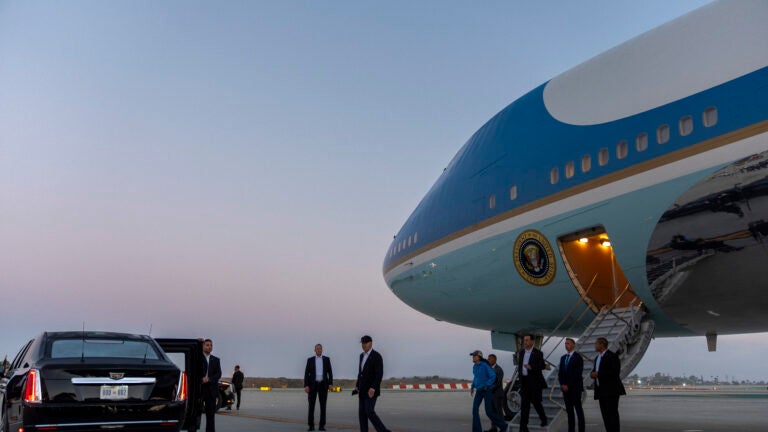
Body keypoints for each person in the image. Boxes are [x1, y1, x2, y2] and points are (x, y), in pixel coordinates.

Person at [355, 335, 390, 432]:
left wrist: (373, 388)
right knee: (362, 413)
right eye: (362, 343)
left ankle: (383, 431)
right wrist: (357, 385)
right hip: (362, 389)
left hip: (371, 390)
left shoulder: (376, 356)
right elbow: (360, 373)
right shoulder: (361, 356)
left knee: (369, 411)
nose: (363, 345)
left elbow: (379, 374)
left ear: (371, 343)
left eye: (365, 343)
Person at [590, 337, 626, 432]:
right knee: (605, 415)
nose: (595, 346)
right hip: (601, 391)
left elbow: (615, 372)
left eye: (596, 344)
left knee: (612, 414)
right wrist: (592, 374)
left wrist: (598, 374)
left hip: (611, 391)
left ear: (602, 345)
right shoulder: (597, 358)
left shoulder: (612, 356)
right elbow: (595, 371)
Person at [470, 350, 509, 432]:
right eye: (472, 356)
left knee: (489, 412)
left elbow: (493, 376)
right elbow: (476, 377)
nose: (473, 357)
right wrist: (472, 387)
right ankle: (476, 430)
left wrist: (487, 385)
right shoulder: (475, 366)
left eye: (474, 356)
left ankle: (504, 426)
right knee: (474, 409)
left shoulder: (484, 365)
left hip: (486, 390)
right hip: (479, 391)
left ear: (479, 357)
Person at [516, 334, 548, 432]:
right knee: (524, 406)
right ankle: (523, 428)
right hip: (525, 382)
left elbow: (542, 366)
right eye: (524, 340)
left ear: (532, 342)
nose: (525, 342)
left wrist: (532, 367)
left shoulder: (538, 353)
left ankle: (544, 419)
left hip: (535, 382)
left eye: (527, 340)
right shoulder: (521, 353)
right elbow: (520, 366)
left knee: (536, 402)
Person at [304, 343, 334, 431]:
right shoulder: (310, 360)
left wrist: (330, 383)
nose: (319, 350)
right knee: (311, 406)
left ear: (322, 350)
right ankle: (311, 426)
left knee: (323, 406)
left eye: (320, 349)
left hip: (323, 385)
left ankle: (322, 426)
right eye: (317, 349)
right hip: (312, 385)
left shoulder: (326, 359)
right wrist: (306, 385)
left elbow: (330, 372)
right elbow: (306, 373)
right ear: (314, 350)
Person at [558, 338, 585, 432]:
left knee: (578, 410)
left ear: (574, 345)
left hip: (575, 389)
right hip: (565, 389)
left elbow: (577, 374)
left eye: (568, 343)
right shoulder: (563, 358)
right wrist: (562, 384)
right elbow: (560, 373)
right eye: (565, 343)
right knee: (569, 412)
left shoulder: (578, 357)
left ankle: (581, 430)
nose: (566, 345)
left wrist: (568, 385)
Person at [200, 338, 222, 432]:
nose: (209, 347)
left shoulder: (216, 360)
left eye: (211, 345)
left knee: (211, 415)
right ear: (203, 346)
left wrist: (209, 379)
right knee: (196, 413)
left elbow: (218, 373)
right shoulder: (198, 358)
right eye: (207, 345)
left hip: (211, 390)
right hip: (200, 389)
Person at [486, 354, 508, 431]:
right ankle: (493, 428)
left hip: (497, 394)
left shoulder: (499, 369)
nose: (488, 360)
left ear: (494, 360)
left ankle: (503, 427)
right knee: (492, 412)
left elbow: (497, 383)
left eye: (489, 359)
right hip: (491, 394)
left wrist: (489, 389)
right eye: (488, 359)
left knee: (499, 412)